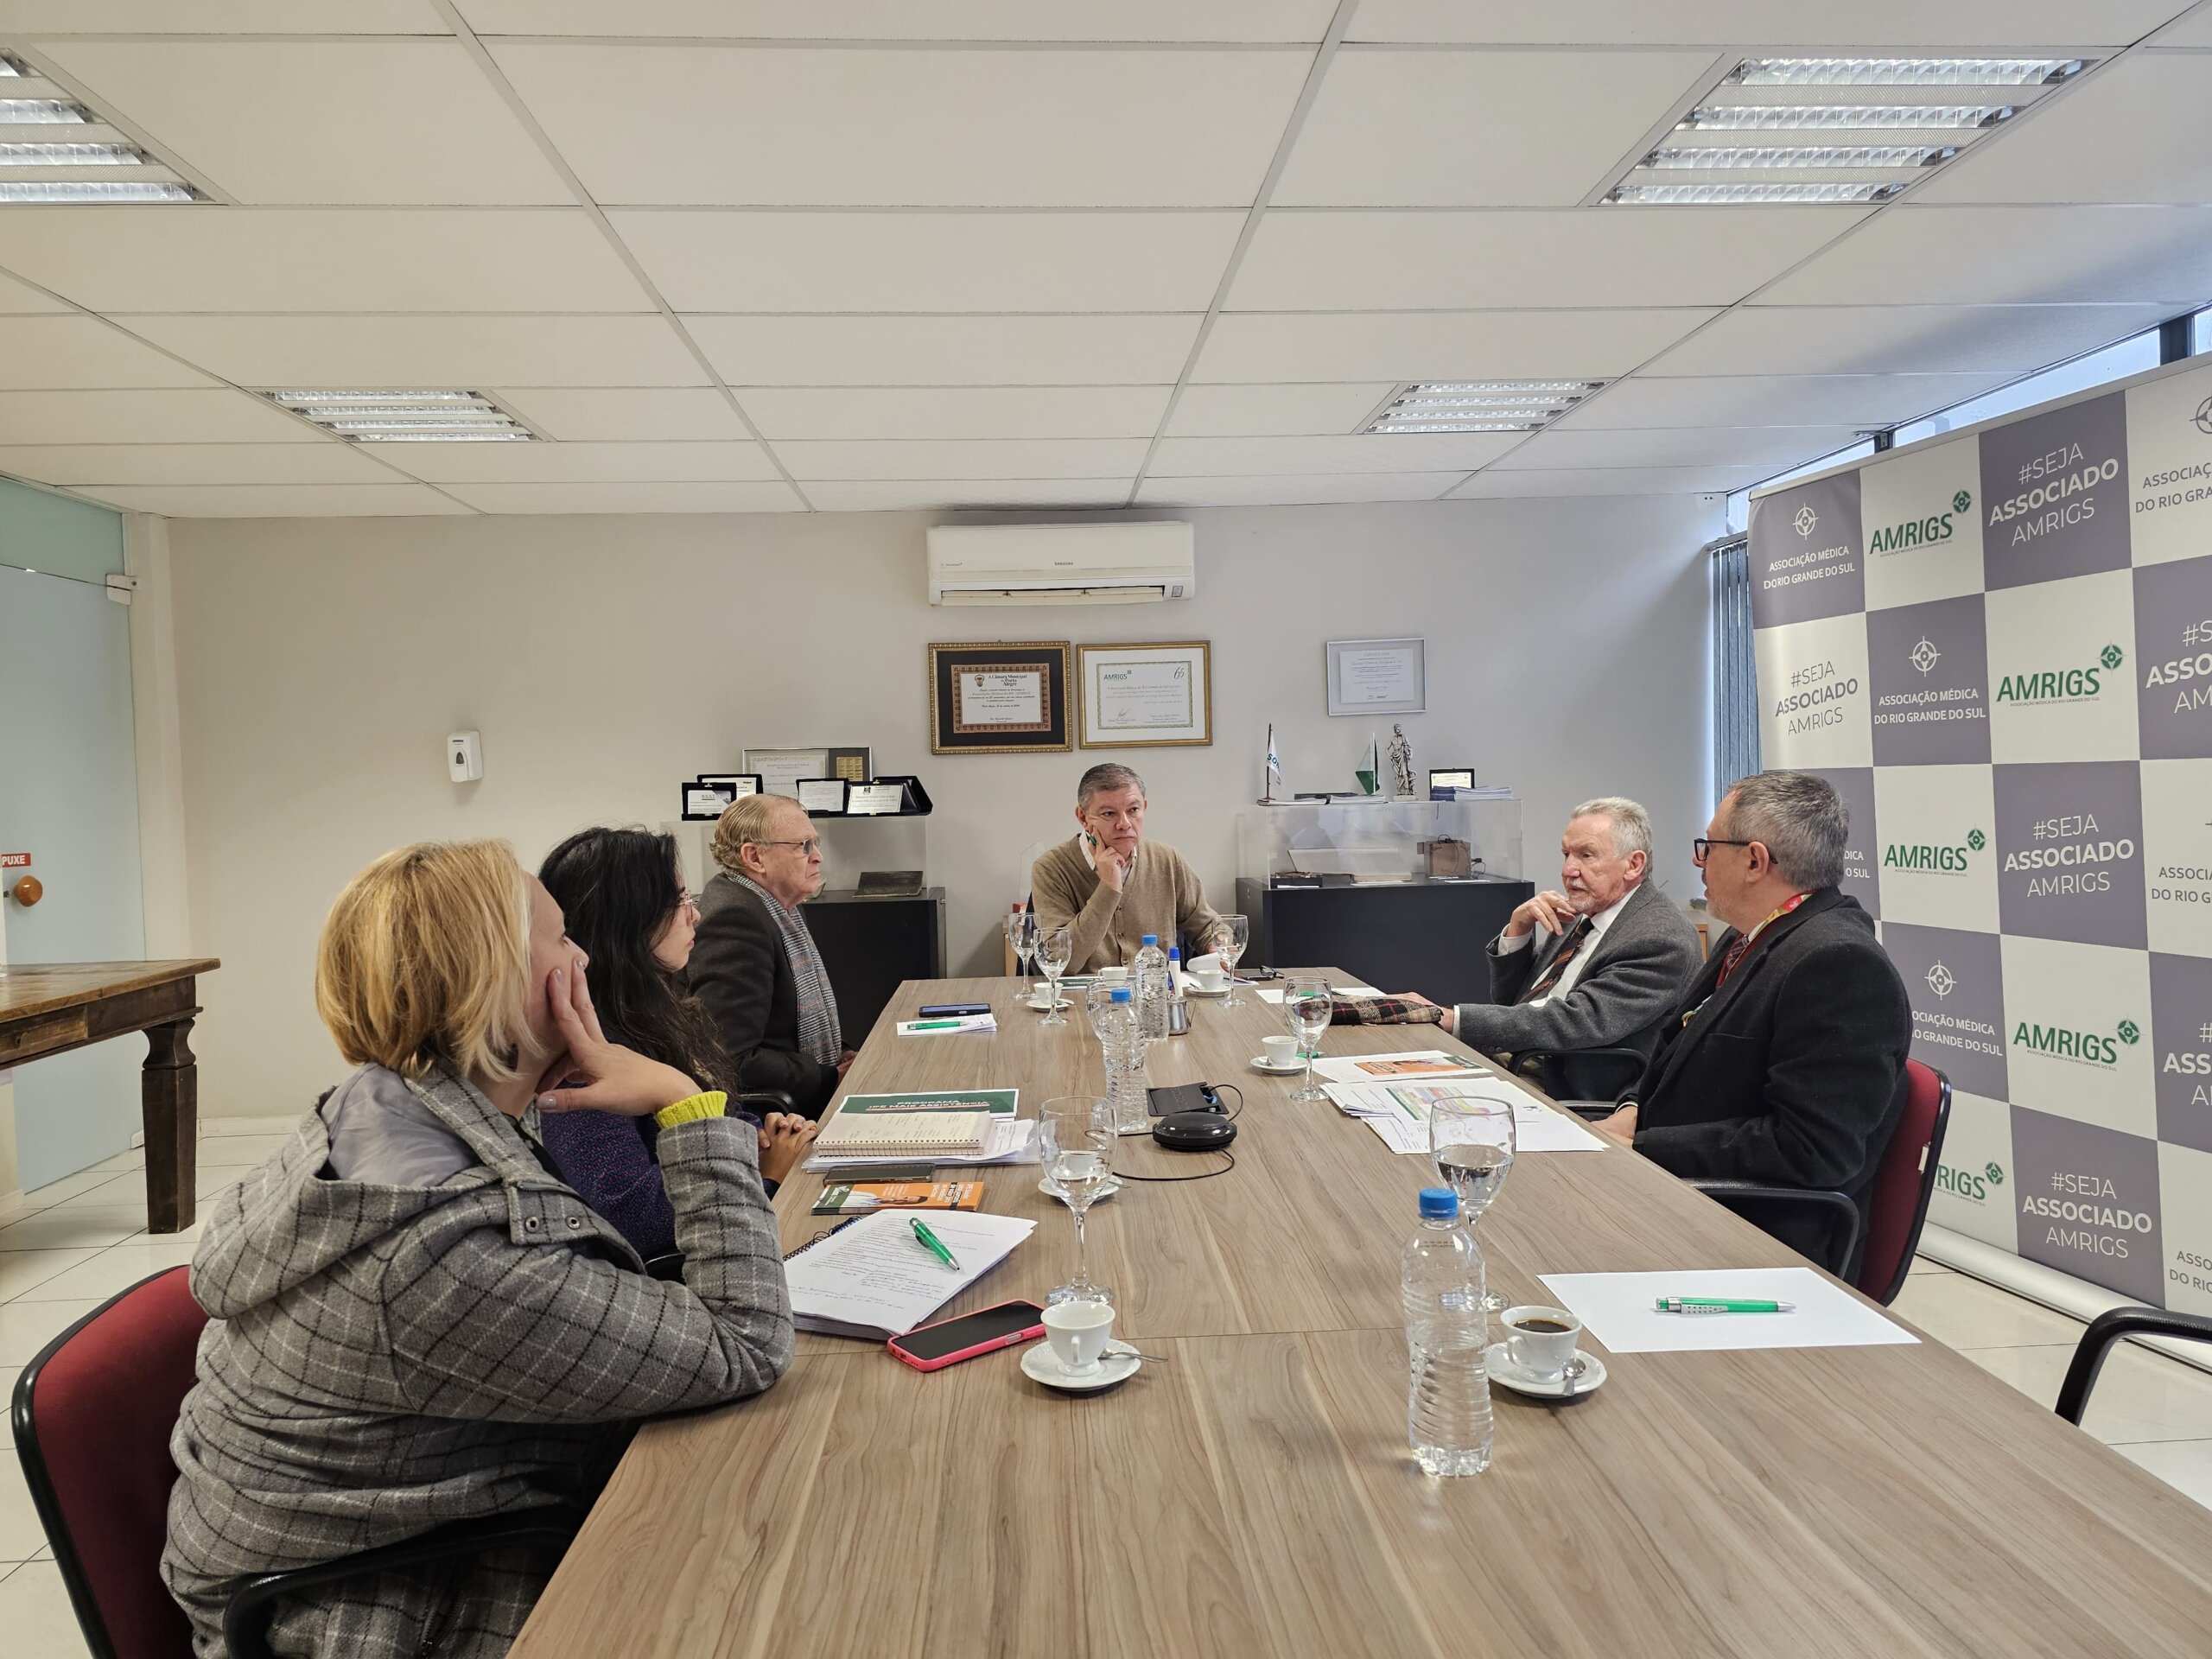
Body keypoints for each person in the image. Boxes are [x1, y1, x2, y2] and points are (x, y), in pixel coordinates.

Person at [162, 839, 791, 1659]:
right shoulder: (433, 1251)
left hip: (393, 1537)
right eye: (562, 940)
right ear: (494, 985)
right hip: (374, 1610)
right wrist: (685, 1103)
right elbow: (745, 1343)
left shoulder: (376, 1105)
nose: (585, 958)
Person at [1591, 772, 1911, 1276]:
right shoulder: (1752, 937)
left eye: (1709, 847)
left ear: (1755, 861)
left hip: (1751, 1237)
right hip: (1679, 1196)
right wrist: (1632, 1108)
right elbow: (1675, 1054)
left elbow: (1812, 1150)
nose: (1699, 862)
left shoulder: (1839, 965)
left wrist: (1643, 1146)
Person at [537, 826, 817, 1260]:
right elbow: (631, 1215)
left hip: (736, 1222)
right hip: (699, 1262)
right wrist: (767, 1176)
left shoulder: (655, 1006)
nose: (695, 915)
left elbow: (717, 1109)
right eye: (679, 901)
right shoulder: (586, 1053)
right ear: (628, 920)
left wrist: (766, 1133)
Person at [1392, 798, 1700, 1099]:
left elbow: (1574, 1021)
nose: (1569, 870)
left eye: (1586, 856)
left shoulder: (1660, 938)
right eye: (1566, 854)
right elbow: (1513, 1002)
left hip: (1560, 1084)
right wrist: (1518, 930)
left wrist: (1452, 1018)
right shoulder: (1581, 913)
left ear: (1633, 865)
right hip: (1516, 1059)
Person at [689, 793, 852, 1119]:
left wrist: (844, 1054)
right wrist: (828, 1077)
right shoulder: (735, 919)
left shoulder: (777, 906)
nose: (817, 857)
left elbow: (786, 1024)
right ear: (754, 857)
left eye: (815, 843)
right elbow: (730, 1057)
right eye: (803, 846)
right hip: (780, 1119)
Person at [1029, 762, 1227, 974]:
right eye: (1109, 814)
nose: (1124, 823)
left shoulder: (1167, 859)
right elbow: (1060, 963)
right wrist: (1108, 888)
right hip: (1086, 993)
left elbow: (1207, 926)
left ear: (1144, 807)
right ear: (1083, 818)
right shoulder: (1050, 869)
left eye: (1133, 810)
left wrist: (1219, 946)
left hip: (1156, 990)